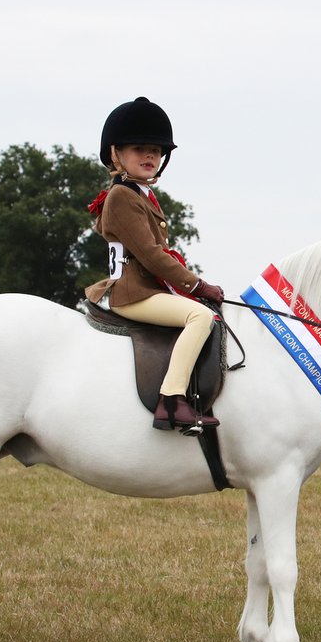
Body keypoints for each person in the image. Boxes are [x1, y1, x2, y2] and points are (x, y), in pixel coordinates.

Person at [85, 96, 226, 430]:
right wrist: (197, 285)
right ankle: (172, 400)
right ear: (116, 153)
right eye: (139, 149)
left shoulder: (139, 193)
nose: (150, 156)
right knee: (200, 315)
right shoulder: (122, 195)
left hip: (145, 290)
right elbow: (152, 255)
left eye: (156, 150)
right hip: (132, 292)